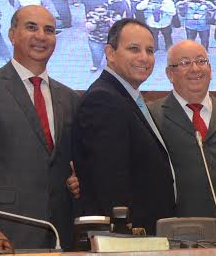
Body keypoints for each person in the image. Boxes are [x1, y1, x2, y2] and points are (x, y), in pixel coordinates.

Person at [0, 5, 81, 251]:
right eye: (31, 27)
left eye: (49, 30)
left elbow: (67, 161)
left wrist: (78, 177)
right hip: (1, 233)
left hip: (59, 232)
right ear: (12, 34)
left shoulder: (69, 97)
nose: (41, 36)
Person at [73, 19, 176, 234]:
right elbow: (109, 180)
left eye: (149, 50)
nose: (144, 58)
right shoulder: (103, 99)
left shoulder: (127, 96)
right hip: (128, 237)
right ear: (110, 53)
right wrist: (125, 235)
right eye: (133, 49)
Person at [148, 40, 216, 233]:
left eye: (201, 61)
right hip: (178, 232)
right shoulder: (150, 116)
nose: (195, 69)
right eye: (185, 63)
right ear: (169, 74)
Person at [85, 5, 114, 72]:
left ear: (106, 10)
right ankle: (96, 65)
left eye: (102, 12)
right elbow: (89, 28)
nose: (101, 14)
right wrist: (95, 21)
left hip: (110, 40)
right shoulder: (91, 15)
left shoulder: (112, 14)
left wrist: (111, 22)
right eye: (98, 12)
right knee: (96, 54)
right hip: (95, 40)